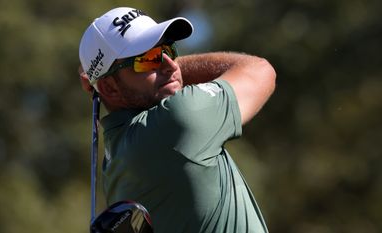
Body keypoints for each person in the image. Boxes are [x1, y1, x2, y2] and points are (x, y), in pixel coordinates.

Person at [78, 6, 276, 233]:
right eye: (148, 58)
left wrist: (101, 82)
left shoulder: (114, 160)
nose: (172, 64)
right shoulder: (177, 120)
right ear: (110, 87)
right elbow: (259, 70)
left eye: (168, 50)